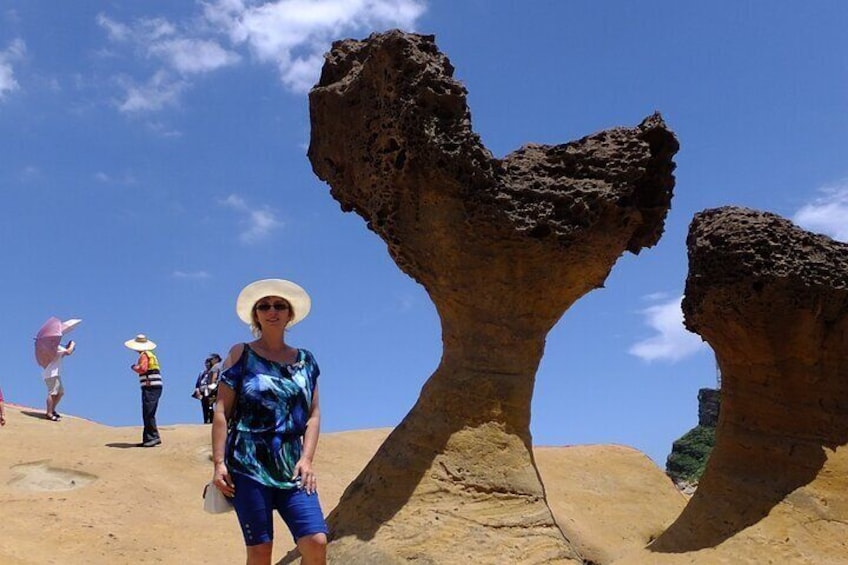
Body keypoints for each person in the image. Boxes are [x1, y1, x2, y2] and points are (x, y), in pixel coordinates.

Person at [212, 279, 328, 565]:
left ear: (290, 314)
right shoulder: (241, 353)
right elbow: (221, 410)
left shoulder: (306, 361)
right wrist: (218, 464)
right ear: (256, 315)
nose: (272, 311)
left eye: (279, 306)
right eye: (264, 306)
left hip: (292, 465)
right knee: (261, 551)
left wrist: (307, 459)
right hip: (248, 464)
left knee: (315, 541)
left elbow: (313, 415)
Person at [125, 334, 163, 447]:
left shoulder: (144, 355)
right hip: (152, 385)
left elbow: (143, 368)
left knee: (148, 412)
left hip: (150, 386)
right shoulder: (150, 354)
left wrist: (134, 367)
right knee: (148, 412)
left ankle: (152, 437)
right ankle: (149, 438)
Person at [42, 340, 75, 421]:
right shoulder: (54, 347)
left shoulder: (55, 347)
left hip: (55, 373)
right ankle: (49, 413)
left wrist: (68, 347)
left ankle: (52, 410)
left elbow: (63, 354)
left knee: (60, 393)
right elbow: (68, 352)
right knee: (52, 393)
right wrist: (72, 344)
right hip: (51, 374)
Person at [193, 353, 221, 424]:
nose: (207, 364)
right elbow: (198, 383)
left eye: (209, 362)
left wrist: (211, 387)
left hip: (209, 389)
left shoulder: (215, 368)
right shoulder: (202, 372)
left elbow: (214, 379)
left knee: (210, 404)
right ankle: (206, 420)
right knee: (205, 405)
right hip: (203, 390)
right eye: (207, 362)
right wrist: (197, 390)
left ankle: (210, 421)